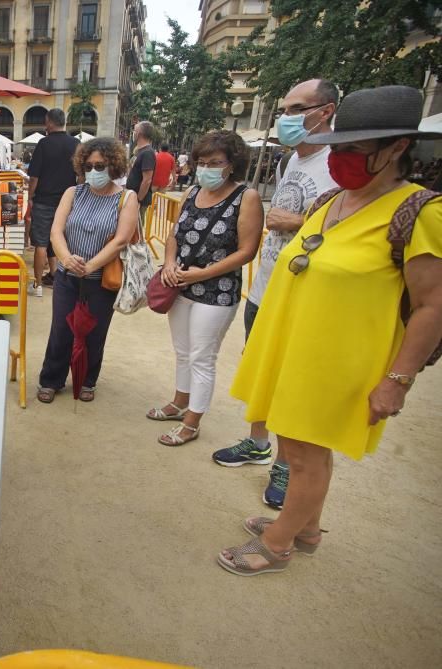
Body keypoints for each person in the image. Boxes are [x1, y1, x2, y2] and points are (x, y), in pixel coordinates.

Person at [218, 85, 442, 576]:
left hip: (340, 359)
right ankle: (308, 528)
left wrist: (397, 381)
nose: (340, 158)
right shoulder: (332, 199)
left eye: (354, 150)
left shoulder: (421, 211)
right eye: (337, 147)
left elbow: (431, 305)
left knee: (303, 453)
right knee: (300, 447)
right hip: (296, 349)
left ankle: (279, 543)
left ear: (398, 147)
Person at [211, 79, 338, 510]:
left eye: (298, 108)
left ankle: (285, 465)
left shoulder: (339, 165)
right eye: (285, 108)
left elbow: (346, 231)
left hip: (303, 296)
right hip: (266, 287)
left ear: (327, 111)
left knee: (288, 382)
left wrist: (300, 222)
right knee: (262, 372)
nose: (287, 117)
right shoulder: (288, 162)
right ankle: (258, 443)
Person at [147, 130, 263, 446]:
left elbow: (247, 251)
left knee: (202, 356)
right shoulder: (192, 192)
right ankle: (179, 402)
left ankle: (192, 421)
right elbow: (174, 234)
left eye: (215, 162)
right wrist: (169, 264)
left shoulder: (246, 197)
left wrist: (202, 275)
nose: (206, 167)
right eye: (202, 161)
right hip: (180, 286)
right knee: (183, 351)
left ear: (232, 164)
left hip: (217, 293)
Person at [36, 137, 139, 404]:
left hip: (101, 280)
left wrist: (91, 266)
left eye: (101, 165)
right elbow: (56, 230)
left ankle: (87, 380)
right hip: (67, 277)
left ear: (114, 165)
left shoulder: (127, 198)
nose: (95, 171)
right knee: (61, 329)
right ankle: (51, 379)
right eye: (90, 165)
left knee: (95, 332)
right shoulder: (73, 193)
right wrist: (66, 258)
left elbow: (121, 239)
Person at [27, 108, 80, 297]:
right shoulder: (76, 144)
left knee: (41, 243)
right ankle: (56, 276)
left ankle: (38, 285)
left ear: (49, 122)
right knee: (59, 240)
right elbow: (80, 176)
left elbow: (34, 177)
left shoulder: (43, 144)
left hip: (43, 201)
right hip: (67, 202)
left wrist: (30, 198)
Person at [126, 121, 157, 223]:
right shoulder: (139, 151)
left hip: (139, 200)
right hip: (132, 197)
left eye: (134, 130)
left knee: (136, 227)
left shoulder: (147, 153)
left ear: (139, 133)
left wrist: (138, 200)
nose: (133, 133)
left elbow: (147, 180)